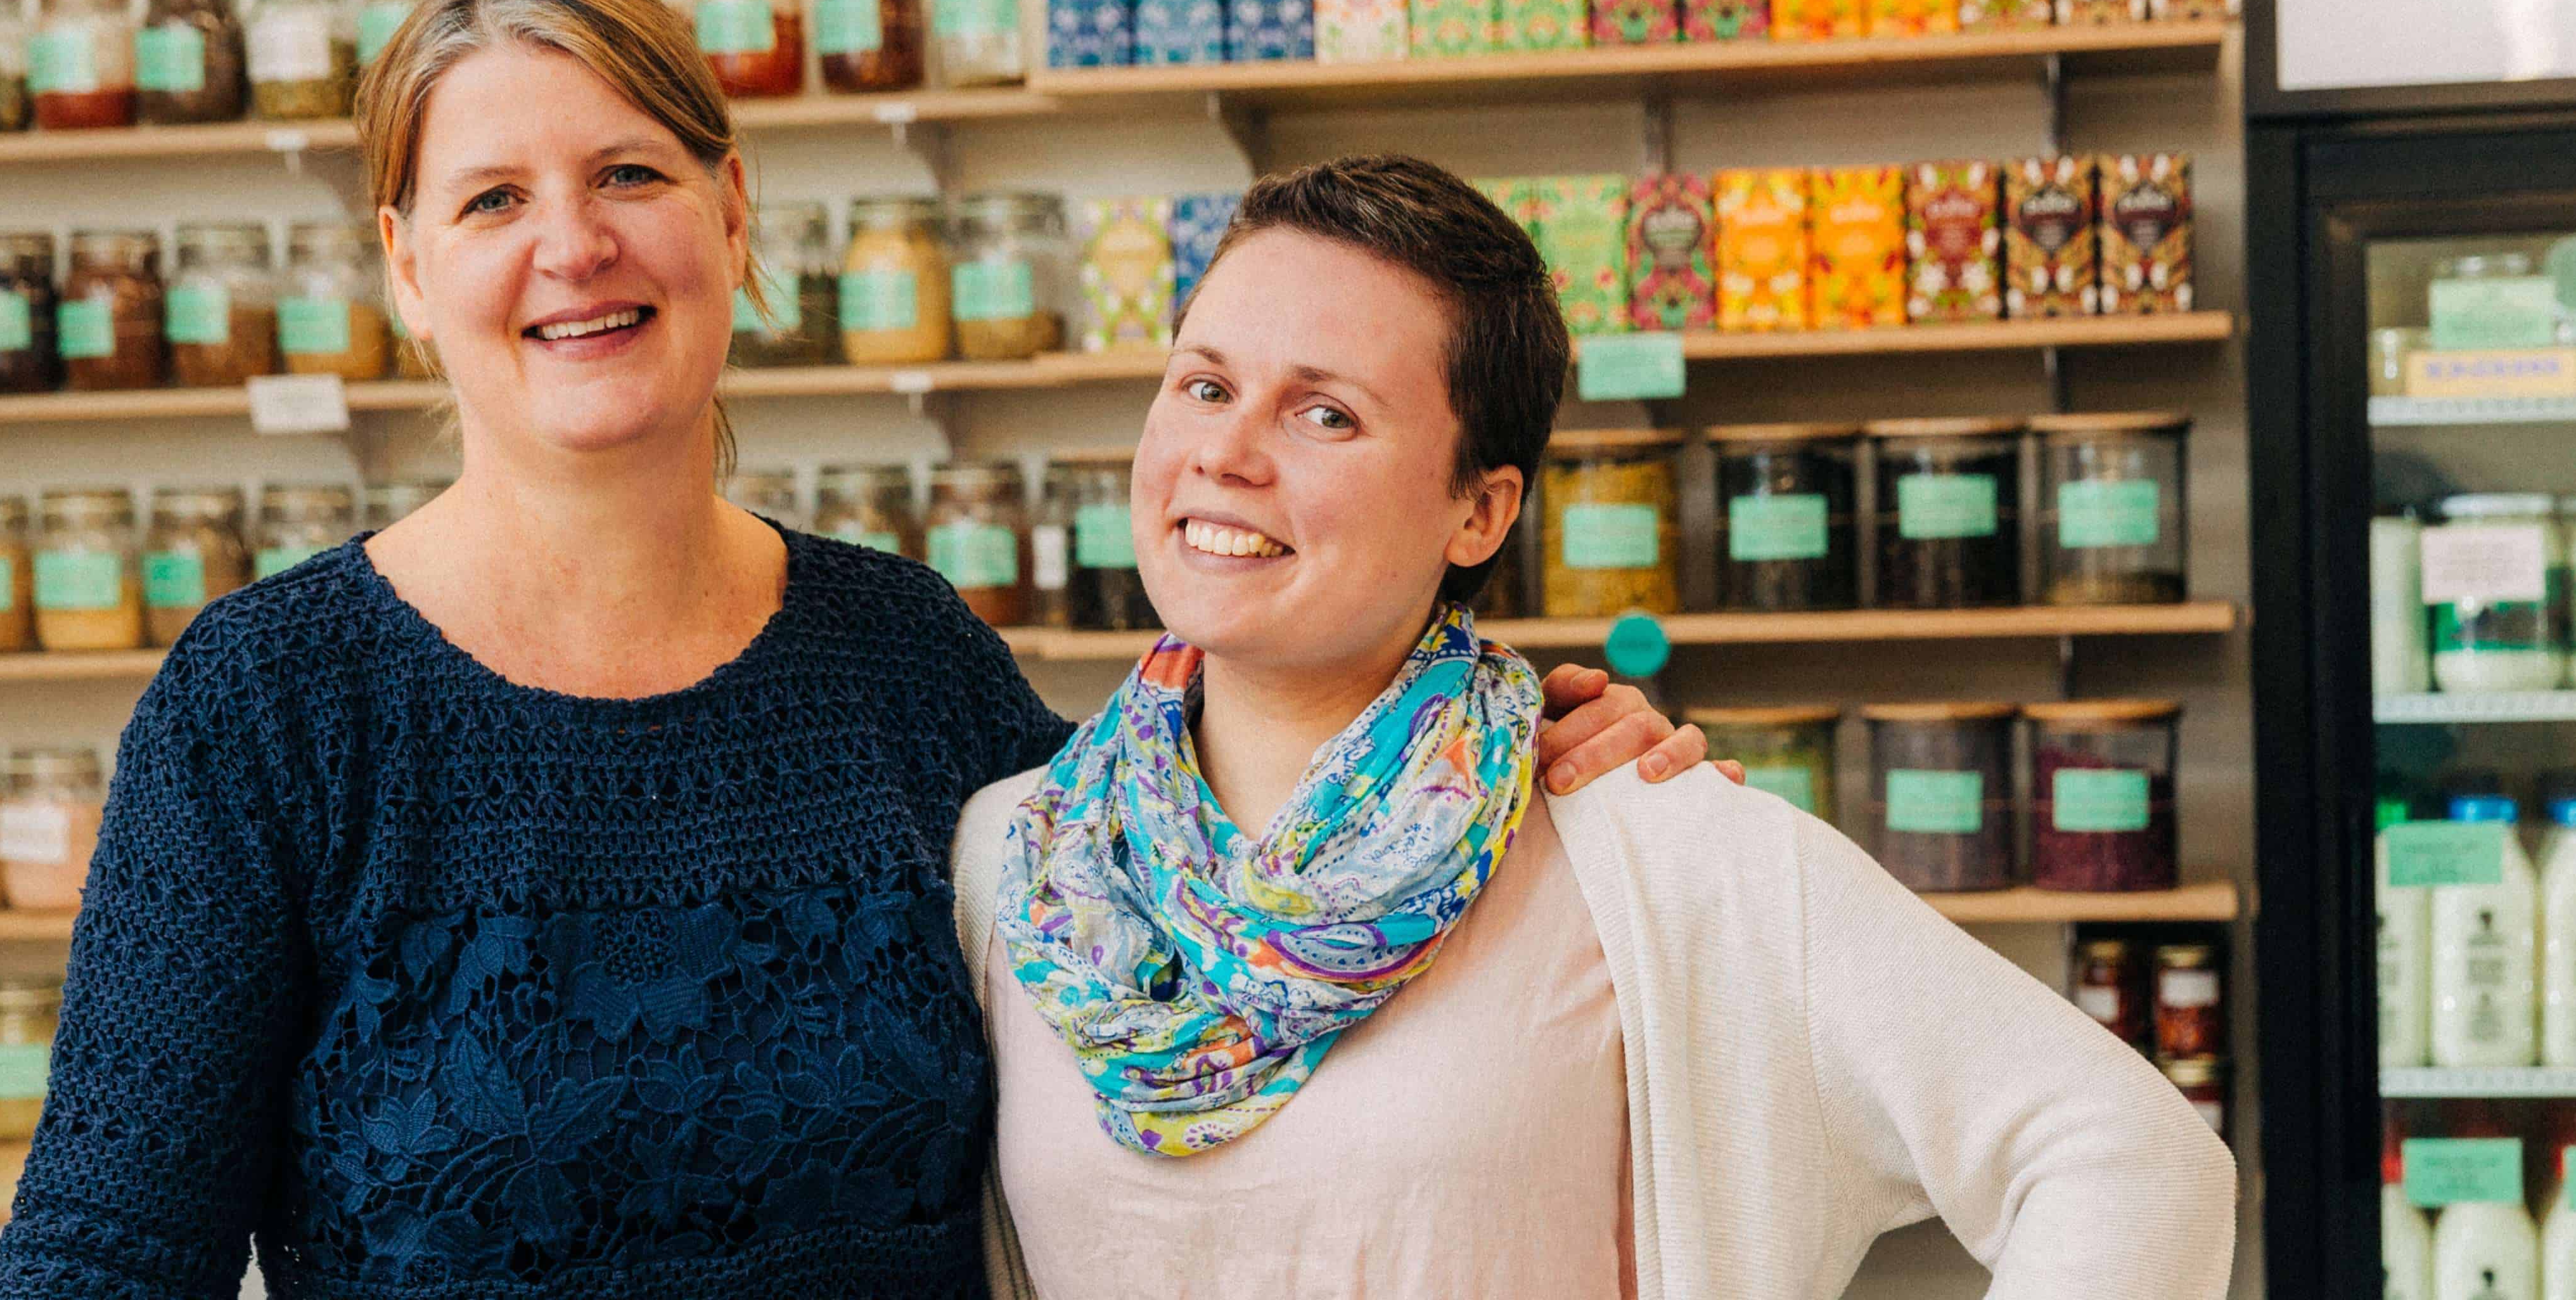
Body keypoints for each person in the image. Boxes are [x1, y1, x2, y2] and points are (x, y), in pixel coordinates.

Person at [0, 0, 1716, 1300]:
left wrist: (1515, 763)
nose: (573, 246)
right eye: (493, 199)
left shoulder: (907, 665)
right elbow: (103, 1264)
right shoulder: (274, 708)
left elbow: (1224, 952)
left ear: (732, 213)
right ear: (405, 270)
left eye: (629, 174)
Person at [952, 155, 2238, 1299]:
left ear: (1480, 511)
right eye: (1204, 384)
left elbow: (2131, 1160)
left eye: (1325, 412)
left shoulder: (1653, 843)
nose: (1226, 452)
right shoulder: (1019, 856)